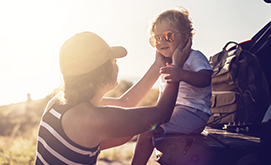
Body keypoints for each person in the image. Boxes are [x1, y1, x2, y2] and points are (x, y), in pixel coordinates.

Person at [35, 31, 191, 164]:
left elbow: (125, 103)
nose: (117, 63)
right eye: (113, 60)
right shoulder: (91, 119)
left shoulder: (59, 102)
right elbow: (161, 114)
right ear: (101, 72)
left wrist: (158, 65)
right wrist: (176, 69)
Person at [131, 6, 213, 165]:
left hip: (194, 112)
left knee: (148, 131)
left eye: (167, 36)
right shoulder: (165, 62)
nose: (161, 42)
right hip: (175, 111)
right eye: (156, 39)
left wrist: (181, 74)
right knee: (144, 127)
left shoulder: (195, 56)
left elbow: (205, 79)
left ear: (185, 38)